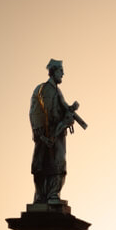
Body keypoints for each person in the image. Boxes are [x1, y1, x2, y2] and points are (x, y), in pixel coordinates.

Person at [29, 59, 81, 204]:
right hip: (48, 135)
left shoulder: (56, 91)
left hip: (55, 135)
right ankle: (48, 195)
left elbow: (58, 110)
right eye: (60, 71)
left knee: (55, 164)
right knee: (46, 165)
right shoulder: (46, 89)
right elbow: (49, 113)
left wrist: (70, 110)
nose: (63, 74)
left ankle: (51, 194)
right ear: (53, 71)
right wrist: (65, 120)